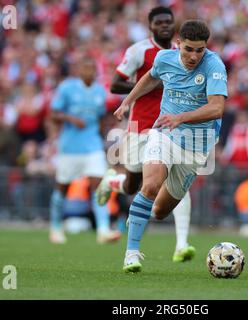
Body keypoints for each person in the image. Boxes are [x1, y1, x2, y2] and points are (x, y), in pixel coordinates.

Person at [113, 20, 228, 272]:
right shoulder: (165, 58)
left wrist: (181, 118)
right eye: (189, 49)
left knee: (161, 210)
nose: (194, 56)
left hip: (196, 145)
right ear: (179, 45)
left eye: (200, 50)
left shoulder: (214, 65)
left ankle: (137, 212)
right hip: (164, 133)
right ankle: (131, 254)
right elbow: (150, 78)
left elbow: (217, 107)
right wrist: (127, 102)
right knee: (150, 184)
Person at [96, 7, 195, 262]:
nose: (164, 26)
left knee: (176, 180)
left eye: (168, 22)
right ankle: (112, 182)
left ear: (174, 25)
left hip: (171, 127)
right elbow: (115, 83)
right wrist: (150, 86)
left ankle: (182, 244)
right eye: (159, 22)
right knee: (133, 185)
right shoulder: (139, 50)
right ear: (150, 26)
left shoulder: (184, 51)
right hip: (141, 126)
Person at [49, 56, 121, 244]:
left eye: (91, 68)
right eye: (85, 67)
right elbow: (53, 114)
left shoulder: (100, 91)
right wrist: (71, 119)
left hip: (92, 146)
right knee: (62, 188)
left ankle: (103, 229)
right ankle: (55, 226)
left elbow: (100, 118)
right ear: (79, 70)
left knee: (99, 185)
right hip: (70, 147)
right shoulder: (67, 88)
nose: (88, 71)